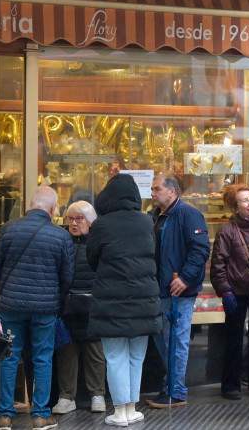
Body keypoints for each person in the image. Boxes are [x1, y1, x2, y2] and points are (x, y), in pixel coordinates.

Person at [0, 187, 75, 430]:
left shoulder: (8, 229)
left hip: (11, 306)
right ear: (52, 208)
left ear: (30, 204)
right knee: (42, 358)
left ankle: (5, 415)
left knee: (9, 356)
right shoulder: (60, 236)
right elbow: (67, 277)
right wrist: (53, 297)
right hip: (45, 308)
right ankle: (40, 414)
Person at [88, 174, 163, 426]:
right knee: (136, 357)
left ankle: (119, 412)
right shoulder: (146, 221)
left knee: (115, 356)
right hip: (144, 301)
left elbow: (92, 260)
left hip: (111, 301)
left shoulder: (102, 224)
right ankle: (132, 408)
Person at [147, 174, 211, 408]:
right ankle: (170, 385)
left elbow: (200, 250)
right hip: (158, 289)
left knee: (175, 341)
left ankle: (176, 391)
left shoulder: (188, 214)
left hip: (178, 291)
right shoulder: (155, 216)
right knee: (163, 341)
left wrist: (185, 278)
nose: (152, 193)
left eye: (157, 189)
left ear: (172, 191)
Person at [210, 183, 249, 400]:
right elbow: (218, 265)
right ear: (235, 207)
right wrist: (225, 291)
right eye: (244, 200)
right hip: (236, 291)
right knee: (233, 339)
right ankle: (230, 384)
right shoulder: (227, 231)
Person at [54, 201, 107, 416]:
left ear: (90, 221)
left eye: (79, 218)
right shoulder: (61, 242)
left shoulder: (99, 243)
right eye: (70, 219)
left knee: (95, 352)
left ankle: (98, 395)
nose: (74, 223)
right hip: (66, 307)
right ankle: (66, 397)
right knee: (66, 352)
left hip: (92, 305)